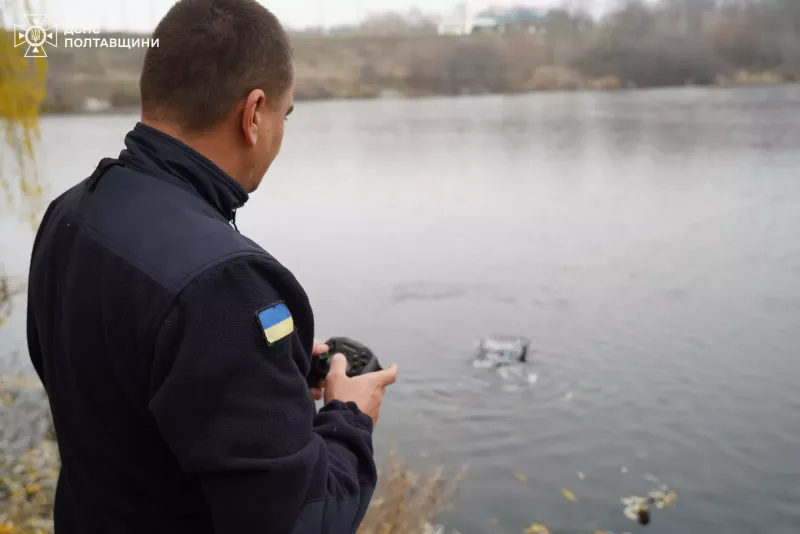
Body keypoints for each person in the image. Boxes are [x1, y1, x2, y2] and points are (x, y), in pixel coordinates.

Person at [25, 0, 399, 532]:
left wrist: (268, 373)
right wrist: (350, 418)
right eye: (284, 115)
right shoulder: (225, 282)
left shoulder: (72, 212)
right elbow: (302, 518)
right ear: (253, 113)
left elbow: (117, 378)